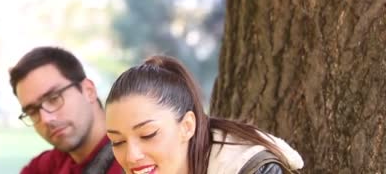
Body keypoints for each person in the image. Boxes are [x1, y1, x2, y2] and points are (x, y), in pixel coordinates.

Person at [105, 55, 304, 174]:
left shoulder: (251, 169)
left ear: (187, 126)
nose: (131, 156)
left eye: (148, 134)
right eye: (117, 141)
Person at [9, 46, 122, 174]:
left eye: (54, 98)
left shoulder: (136, 159)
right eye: (32, 111)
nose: (46, 119)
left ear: (88, 91)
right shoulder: (45, 167)